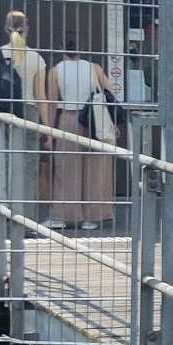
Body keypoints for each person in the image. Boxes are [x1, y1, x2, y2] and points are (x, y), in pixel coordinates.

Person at [43, 33, 122, 231]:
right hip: (94, 120)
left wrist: (49, 132)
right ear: (82, 49)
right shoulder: (94, 68)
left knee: (67, 169)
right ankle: (93, 216)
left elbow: (52, 103)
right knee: (95, 169)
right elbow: (110, 92)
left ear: (62, 49)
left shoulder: (55, 71)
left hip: (69, 120)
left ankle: (64, 215)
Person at [0, 9, 47, 208]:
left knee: (2, 162)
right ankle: (26, 217)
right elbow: (41, 96)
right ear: (27, 27)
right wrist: (48, 128)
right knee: (28, 165)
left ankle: (4, 212)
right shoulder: (36, 58)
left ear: (5, 28)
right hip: (28, 112)